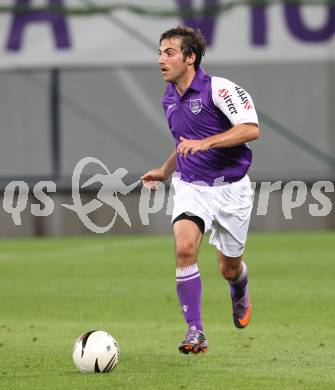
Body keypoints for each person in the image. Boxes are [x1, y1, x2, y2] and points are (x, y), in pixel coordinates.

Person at [141, 26, 259, 354]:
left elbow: (250, 129)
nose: (160, 59)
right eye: (160, 52)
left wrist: (207, 142)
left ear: (190, 58)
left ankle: (239, 287)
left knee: (228, 267)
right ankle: (196, 330)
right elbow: (184, 145)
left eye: (169, 53)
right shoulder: (169, 98)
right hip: (192, 186)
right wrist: (165, 171)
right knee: (184, 249)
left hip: (232, 189)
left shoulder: (219, 89)